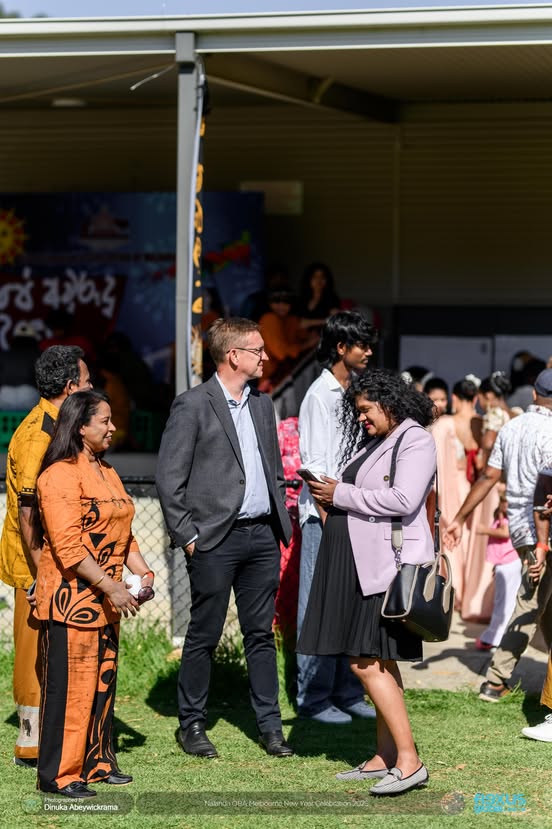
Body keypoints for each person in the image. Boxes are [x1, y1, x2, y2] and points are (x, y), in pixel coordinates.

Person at [156, 317, 293, 759]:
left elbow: (273, 470)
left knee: (260, 636)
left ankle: (271, 727)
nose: (266, 356)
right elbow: (169, 479)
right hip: (214, 541)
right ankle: (192, 723)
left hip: (262, 537)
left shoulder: (263, 405)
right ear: (234, 356)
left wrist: (277, 518)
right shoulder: (192, 405)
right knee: (204, 635)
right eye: (257, 350)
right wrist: (188, 537)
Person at [297, 369, 436, 796]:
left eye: (365, 410)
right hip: (362, 565)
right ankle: (385, 756)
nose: (360, 418)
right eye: (357, 411)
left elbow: (403, 500)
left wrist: (338, 494)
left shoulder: (415, 439)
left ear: (389, 403)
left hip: (385, 568)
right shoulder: (378, 441)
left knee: (365, 662)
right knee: (379, 662)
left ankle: (410, 762)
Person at [33, 390, 155, 798]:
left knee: (102, 685)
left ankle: (97, 763)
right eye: (105, 420)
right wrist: (111, 586)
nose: (113, 427)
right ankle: (60, 775)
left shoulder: (107, 470)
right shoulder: (58, 475)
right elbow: (69, 547)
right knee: (72, 690)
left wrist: (143, 574)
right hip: (71, 601)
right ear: (81, 427)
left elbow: (123, 532)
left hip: (108, 600)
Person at [0, 345, 92, 770]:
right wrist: (44, 576)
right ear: (70, 387)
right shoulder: (38, 435)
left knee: (50, 650)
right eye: (87, 382)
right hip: (34, 563)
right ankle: (31, 742)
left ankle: (55, 732)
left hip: (55, 561)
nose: (92, 388)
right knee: (33, 650)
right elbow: (29, 515)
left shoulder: (59, 426)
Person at [444, 368, 552, 702]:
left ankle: (545, 681)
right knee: (531, 601)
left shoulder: (511, 427)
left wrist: (459, 518)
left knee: (542, 601)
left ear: (533, 394)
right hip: (543, 530)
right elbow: (546, 491)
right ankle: (496, 679)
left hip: (519, 528)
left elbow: (489, 476)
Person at [296, 311, 377, 724]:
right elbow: (312, 469)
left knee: (352, 605)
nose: (369, 351)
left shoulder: (356, 392)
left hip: (354, 513)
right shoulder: (319, 395)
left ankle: (347, 691)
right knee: (319, 606)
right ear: (341, 348)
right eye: (362, 344)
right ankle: (312, 698)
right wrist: (331, 523)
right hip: (324, 519)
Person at [474, 490, 522, 651]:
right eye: (504, 501)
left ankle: (496, 638)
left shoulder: (511, 519)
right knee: (502, 602)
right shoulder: (502, 517)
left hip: (510, 563)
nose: (507, 505)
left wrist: (483, 530)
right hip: (503, 563)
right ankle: (495, 637)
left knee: (505, 603)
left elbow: (505, 533)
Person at [258, 291, 319, 391]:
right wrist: (307, 344)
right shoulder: (269, 319)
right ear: (269, 303)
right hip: (271, 382)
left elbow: (303, 330)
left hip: (286, 380)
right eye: (277, 301)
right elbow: (281, 353)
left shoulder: (290, 320)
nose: (281, 305)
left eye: (286, 302)